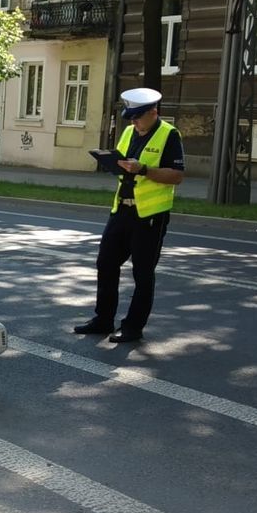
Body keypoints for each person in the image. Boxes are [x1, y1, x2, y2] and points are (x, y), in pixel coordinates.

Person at [74, 87, 184, 343]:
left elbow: (177, 176)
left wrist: (143, 169)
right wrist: (113, 163)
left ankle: (133, 327)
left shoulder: (169, 135)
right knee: (106, 263)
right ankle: (103, 320)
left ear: (153, 112)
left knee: (143, 273)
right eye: (130, 117)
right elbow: (123, 163)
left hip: (150, 216)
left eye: (137, 117)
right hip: (121, 209)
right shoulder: (128, 131)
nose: (133, 122)